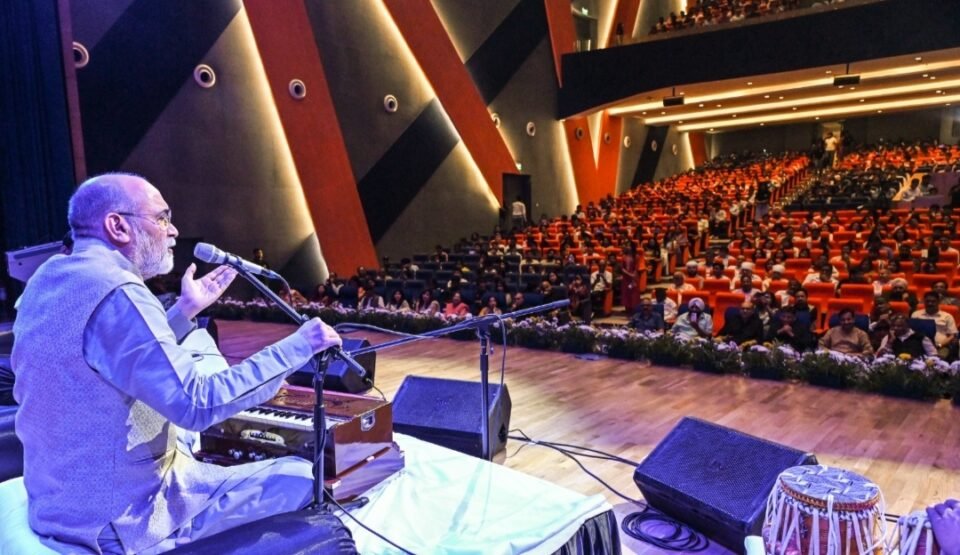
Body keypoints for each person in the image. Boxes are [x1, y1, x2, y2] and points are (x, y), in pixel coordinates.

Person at [11, 173, 349, 554]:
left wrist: (185, 310)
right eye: (162, 218)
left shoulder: (48, 278)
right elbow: (197, 404)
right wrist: (298, 347)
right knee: (300, 477)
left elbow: (109, 358)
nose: (173, 231)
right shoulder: (119, 290)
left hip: (58, 504)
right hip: (120, 520)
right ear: (118, 226)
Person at [911, 291, 958, 360]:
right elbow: (911, 332)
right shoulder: (916, 314)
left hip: (940, 347)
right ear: (924, 302)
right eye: (927, 301)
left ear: (938, 302)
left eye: (933, 301)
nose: (930, 303)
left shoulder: (947, 316)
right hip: (919, 346)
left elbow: (952, 335)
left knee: (937, 362)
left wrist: (940, 345)